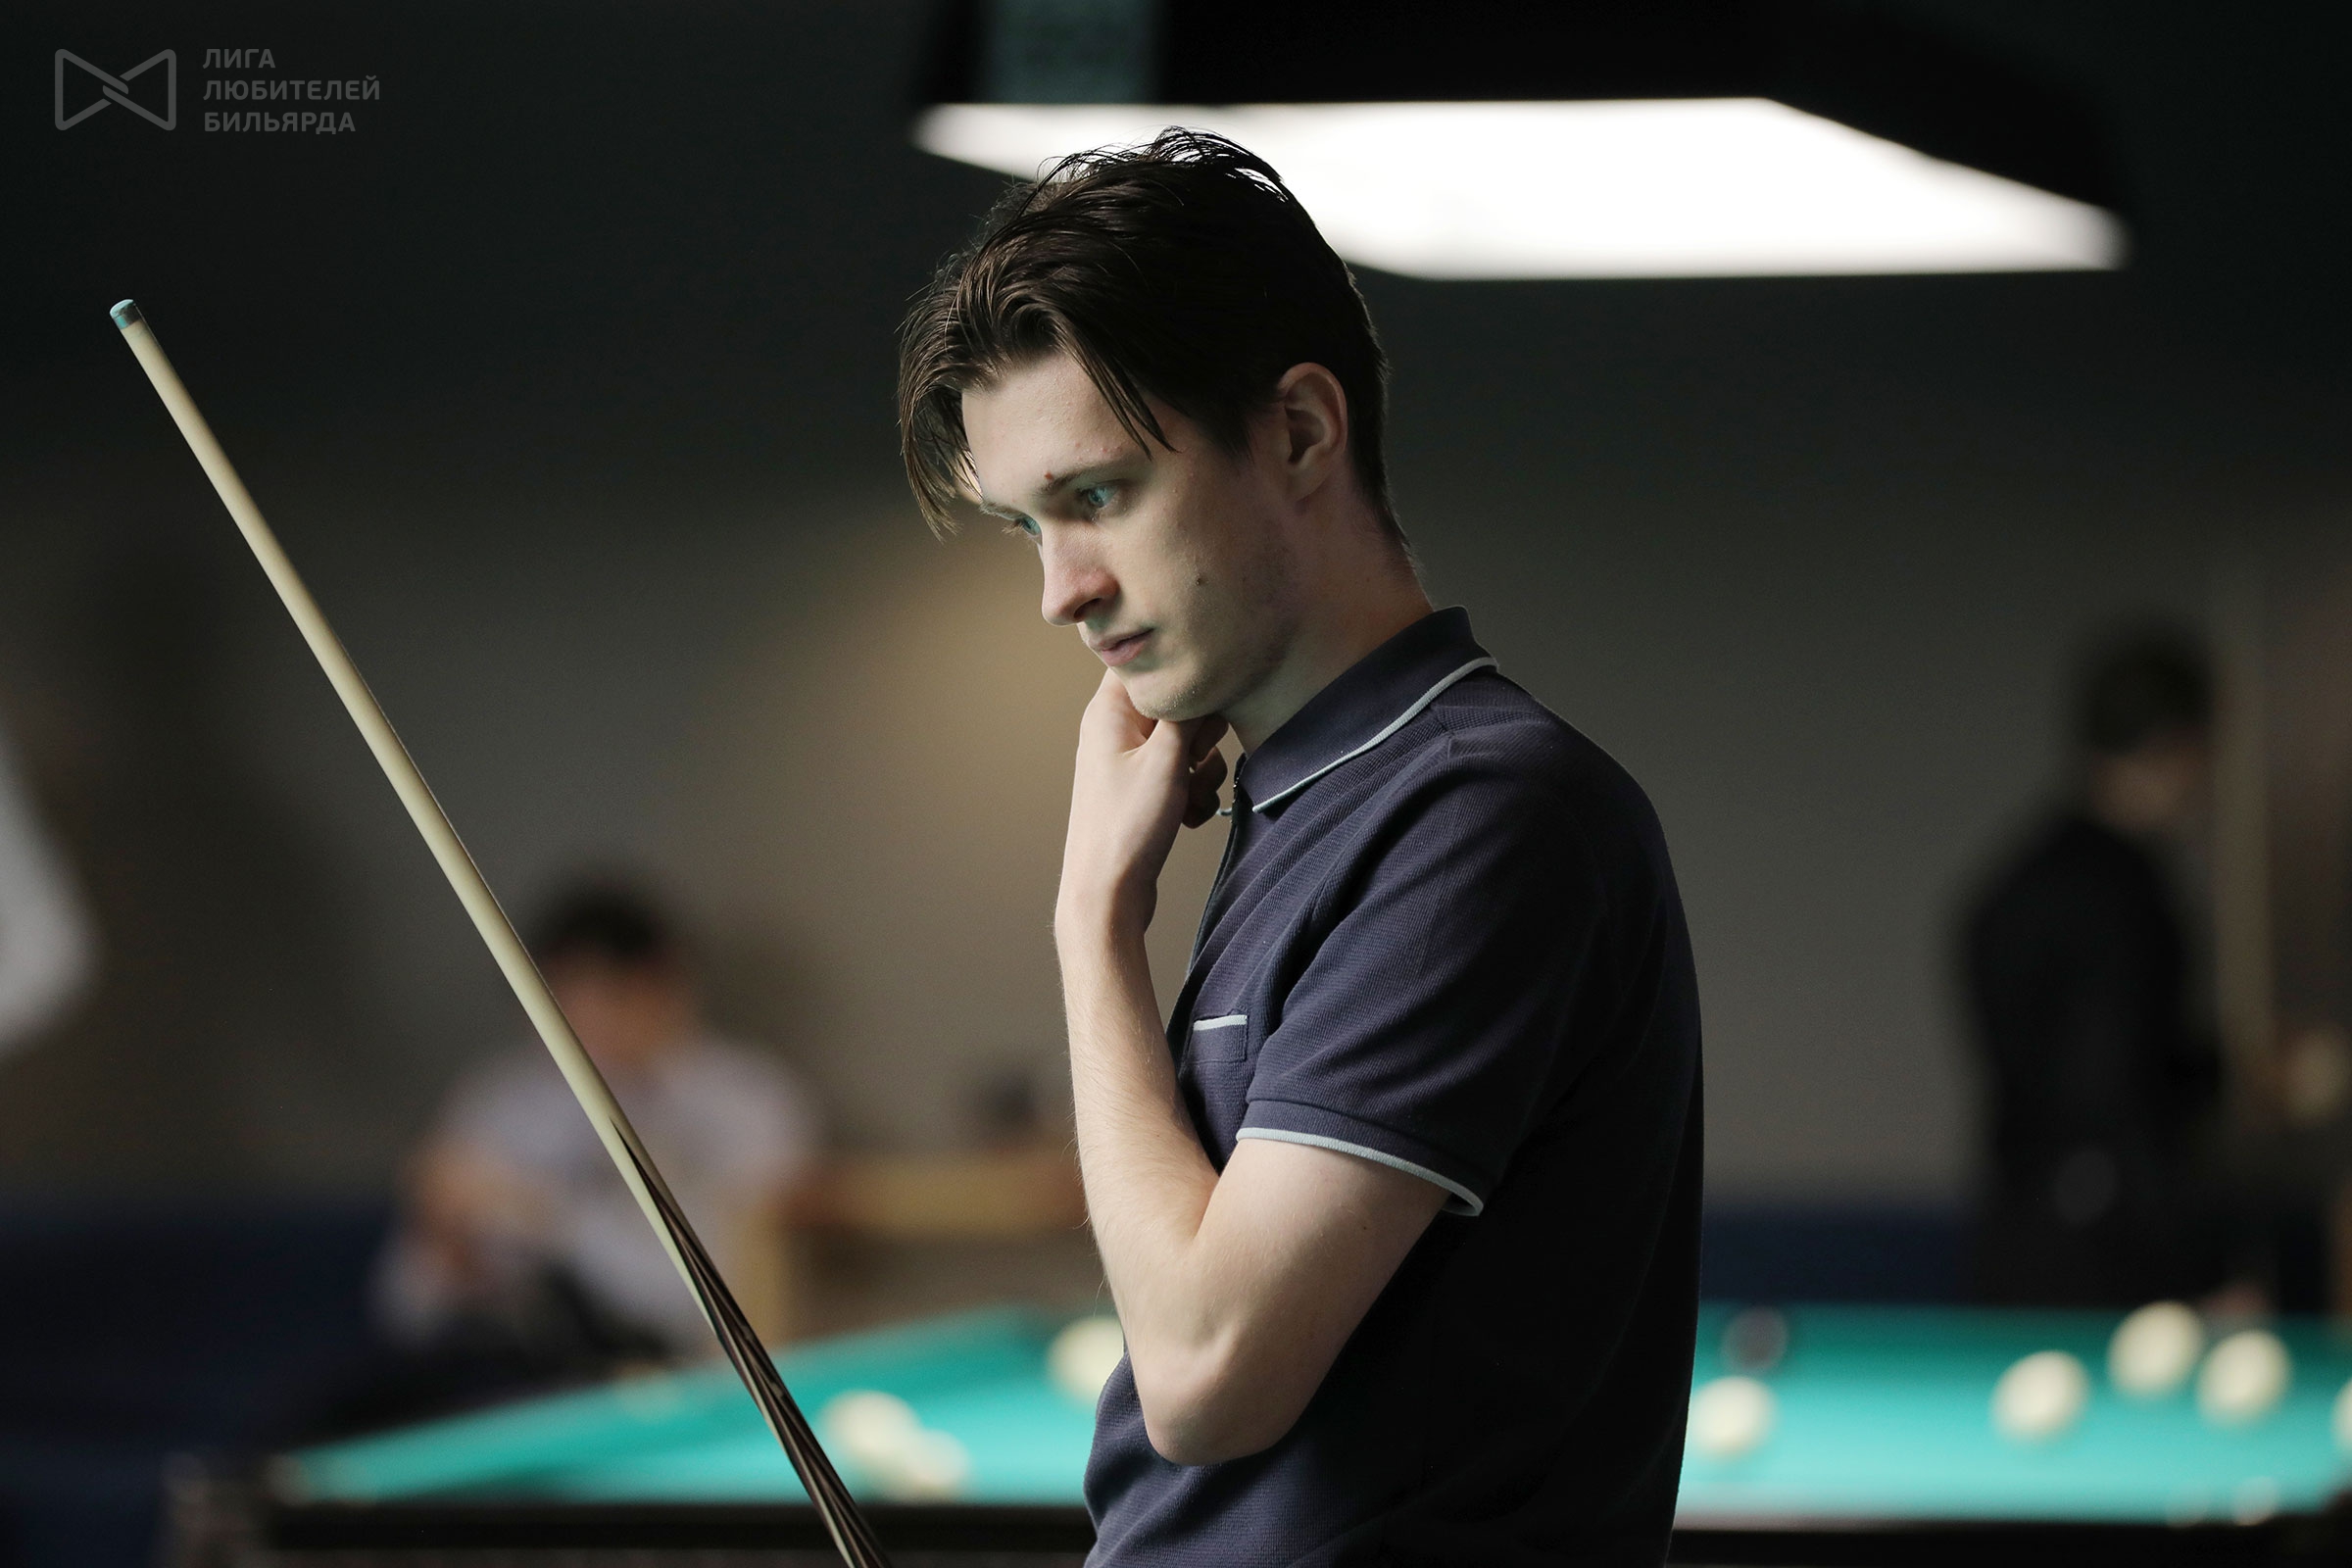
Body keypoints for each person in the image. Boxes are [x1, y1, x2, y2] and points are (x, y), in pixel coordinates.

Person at [898, 131, 1702, 1567]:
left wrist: (1091, 926)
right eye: (1028, 526)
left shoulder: (1480, 815)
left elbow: (1209, 1373)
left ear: (1302, 434)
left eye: (1099, 496)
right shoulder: (1307, 795)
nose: (1059, 592)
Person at [373, 884, 819, 1387]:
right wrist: (451, 1248)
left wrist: (547, 1217)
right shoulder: (501, 1100)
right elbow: (407, 1310)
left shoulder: (748, 1100)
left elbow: (722, 1294)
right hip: (508, 1374)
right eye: (552, 999)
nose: (581, 1021)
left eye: (607, 996)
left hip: (682, 1374)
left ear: (665, 986)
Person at [1961, 627, 2227, 1306]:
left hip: (2014, 1241)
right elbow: (2113, 1097)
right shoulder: (2125, 897)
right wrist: (2204, 1270)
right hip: (2112, 1264)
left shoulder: (2013, 885)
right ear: (2177, 747)